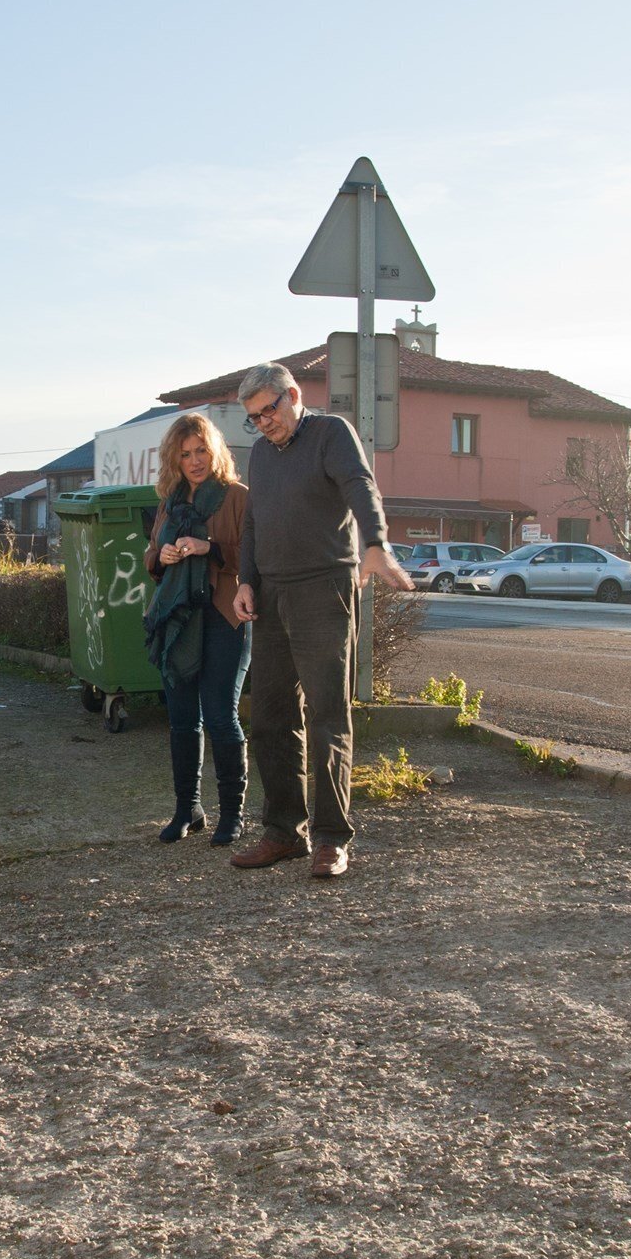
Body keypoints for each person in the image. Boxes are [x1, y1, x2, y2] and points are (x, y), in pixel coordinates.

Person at [229, 362, 413, 879]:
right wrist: (245, 580)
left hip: (323, 588)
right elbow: (253, 522)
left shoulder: (331, 433)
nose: (263, 423)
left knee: (328, 714)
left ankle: (332, 840)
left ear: (293, 395)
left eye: (269, 410)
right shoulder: (261, 454)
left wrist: (375, 544)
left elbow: (360, 486)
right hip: (270, 595)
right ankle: (283, 833)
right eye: (253, 418)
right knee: (271, 719)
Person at [142, 412, 252, 845]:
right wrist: (163, 555)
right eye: (185, 454)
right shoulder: (170, 501)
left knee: (221, 717)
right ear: (175, 459)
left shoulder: (237, 497)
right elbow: (151, 556)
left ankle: (232, 815)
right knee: (183, 720)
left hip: (225, 616)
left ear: (215, 451)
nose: (194, 461)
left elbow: (256, 556)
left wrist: (210, 548)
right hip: (178, 620)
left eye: (201, 450)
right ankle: (188, 809)